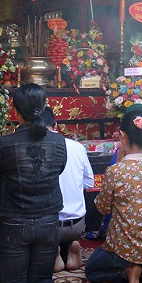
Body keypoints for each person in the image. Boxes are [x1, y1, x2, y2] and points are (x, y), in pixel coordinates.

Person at [0, 84, 72, 283]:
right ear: (44, 108)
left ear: (16, 112)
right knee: (41, 277)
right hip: (49, 221)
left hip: (15, 221)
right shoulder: (59, 143)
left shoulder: (5, 143)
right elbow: (58, 169)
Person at [84, 109, 142, 283]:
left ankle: (129, 271)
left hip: (125, 249)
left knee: (91, 268)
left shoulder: (116, 171)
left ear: (123, 136)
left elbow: (102, 207)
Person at [41, 107, 94, 273]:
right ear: (55, 125)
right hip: (77, 223)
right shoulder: (77, 147)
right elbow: (89, 183)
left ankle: (53, 251)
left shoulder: (34, 148)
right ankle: (71, 246)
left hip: (49, 226)